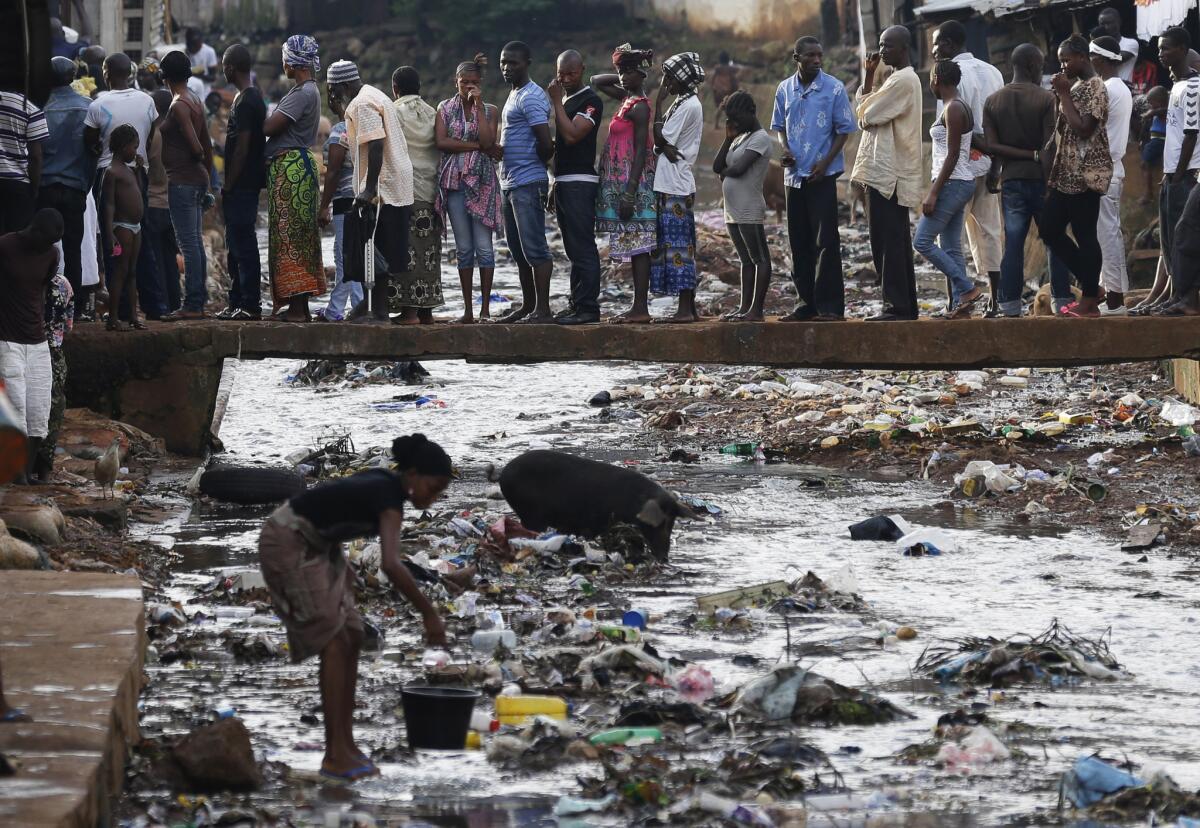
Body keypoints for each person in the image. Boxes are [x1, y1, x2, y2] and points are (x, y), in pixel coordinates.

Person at [257, 433, 450, 782]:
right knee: (334, 641)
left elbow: (332, 511)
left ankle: (346, 745)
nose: (433, 497)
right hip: (288, 540)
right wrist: (429, 615)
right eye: (433, 487)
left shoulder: (385, 485)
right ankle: (334, 755)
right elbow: (391, 564)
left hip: (320, 543)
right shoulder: (389, 495)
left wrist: (342, 568)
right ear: (415, 474)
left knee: (353, 633)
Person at [772, 36, 856, 322]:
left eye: (819, 55)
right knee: (798, 241)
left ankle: (831, 307)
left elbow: (844, 130)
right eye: (810, 56)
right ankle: (805, 303)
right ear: (797, 58)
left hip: (822, 175)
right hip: (793, 177)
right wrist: (784, 148)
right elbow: (779, 127)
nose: (817, 60)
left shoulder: (833, 88)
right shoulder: (784, 89)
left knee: (826, 242)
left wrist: (826, 162)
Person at [328, 60, 415, 325]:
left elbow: (376, 145)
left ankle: (379, 313)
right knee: (380, 249)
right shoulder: (373, 94)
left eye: (332, 89)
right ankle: (371, 308)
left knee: (376, 248)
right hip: (395, 180)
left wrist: (368, 189)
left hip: (383, 185)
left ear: (342, 85)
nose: (331, 94)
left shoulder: (362, 104)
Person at [983, 44, 1066, 317]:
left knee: (1014, 242)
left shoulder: (993, 101)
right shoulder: (1045, 99)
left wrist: (994, 173)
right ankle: (1061, 299)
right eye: (1041, 65)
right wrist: (1050, 187)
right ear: (1031, 65)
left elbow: (993, 148)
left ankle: (1009, 304)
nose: (1041, 69)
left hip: (1011, 181)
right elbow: (1048, 150)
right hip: (1041, 180)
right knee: (1054, 239)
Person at [851, 26, 924, 321]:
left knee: (887, 242)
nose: (882, 52)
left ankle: (895, 306)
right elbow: (866, 108)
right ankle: (905, 306)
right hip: (884, 173)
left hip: (888, 175)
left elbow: (867, 116)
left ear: (904, 47)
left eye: (888, 46)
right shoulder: (893, 79)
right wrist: (868, 77)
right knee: (893, 240)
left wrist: (866, 106)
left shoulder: (903, 80)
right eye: (880, 45)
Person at [930, 20, 1004, 312]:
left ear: (948, 44)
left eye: (935, 44)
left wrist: (936, 186)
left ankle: (957, 301)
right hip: (988, 165)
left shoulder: (947, 77)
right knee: (990, 231)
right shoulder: (994, 72)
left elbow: (951, 134)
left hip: (958, 170)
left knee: (950, 237)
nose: (933, 51)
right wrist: (996, 163)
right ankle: (997, 302)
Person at [1041, 35, 1112, 318]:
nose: (1063, 65)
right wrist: (1063, 93)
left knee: (1085, 236)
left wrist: (1064, 95)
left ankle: (1090, 301)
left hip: (1087, 174)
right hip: (1066, 174)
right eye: (1060, 60)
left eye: (1067, 59)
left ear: (1083, 57)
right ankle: (1092, 286)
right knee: (1048, 229)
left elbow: (1083, 128)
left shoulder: (1096, 87)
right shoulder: (1076, 85)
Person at [593, 45, 657, 324]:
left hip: (635, 183)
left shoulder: (640, 107)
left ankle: (640, 307)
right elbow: (596, 81)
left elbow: (642, 150)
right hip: (621, 182)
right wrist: (624, 68)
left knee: (640, 244)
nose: (621, 77)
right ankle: (636, 305)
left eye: (627, 73)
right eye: (620, 72)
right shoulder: (625, 99)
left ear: (640, 75)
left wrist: (630, 192)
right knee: (632, 242)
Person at [435, 57, 502, 324]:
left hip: (483, 182)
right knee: (464, 249)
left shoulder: (489, 110)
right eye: (465, 83)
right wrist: (476, 147)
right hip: (454, 184)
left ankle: (485, 309)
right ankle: (468, 310)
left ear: (480, 84)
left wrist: (477, 107)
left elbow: (489, 141)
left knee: (484, 248)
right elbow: (441, 142)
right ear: (456, 82)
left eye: (474, 83)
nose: (469, 87)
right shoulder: (444, 108)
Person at [915, 61, 984, 317]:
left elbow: (953, 154)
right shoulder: (955, 106)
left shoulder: (953, 108)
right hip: (958, 182)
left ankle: (966, 288)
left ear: (936, 79)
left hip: (953, 183)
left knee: (921, 241)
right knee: (952, 246)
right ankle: (961, 307)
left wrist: (934, 192)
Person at [263, 35, 325, 322]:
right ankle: (297, 306)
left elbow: (272, 126)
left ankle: (299, 309)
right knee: (295, 236)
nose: (283, 63)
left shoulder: (302, 94)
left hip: (292, 171)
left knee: (293, 238)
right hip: (293, 168)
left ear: (294, 62)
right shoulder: (307, 90)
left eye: (286, 58)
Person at [0, 209, 63, 482]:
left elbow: (42, 288)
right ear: (34, 231)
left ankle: (24, 472)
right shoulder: (4, 246)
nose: (50, 246)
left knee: (39, 414)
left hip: (38, 343)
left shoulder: (51, 254)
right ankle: (16, 473)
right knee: (15, 411)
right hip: (7, 341)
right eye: (47, 240)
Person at [497, 42, 555, 323]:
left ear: (527, 63)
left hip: (527, 181)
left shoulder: (531, 96)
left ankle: (543, 309)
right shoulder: (514, 94)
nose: (507, 68)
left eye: (513, 63)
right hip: (509, 181)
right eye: (503, 62)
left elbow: (546, 143)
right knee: (518, 251)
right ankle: (529, 306)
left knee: (534, 248)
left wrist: (536, 165)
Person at [547, 50, 604, 325]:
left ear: (582, 70)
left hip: (581, 182)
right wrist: (552, 181)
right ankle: (576, 302)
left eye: (571, 73)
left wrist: (556, 102)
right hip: (563, 181)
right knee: (572, 249)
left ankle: (589, 308)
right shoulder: (566, 100)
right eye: (561, 74)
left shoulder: (590, 101)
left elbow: (571, 135)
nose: (566, 79)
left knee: (583, 247)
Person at [651, 51, 706, 323]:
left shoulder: (687, 106)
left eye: (668, 78)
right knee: (679, 245)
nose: (665, 83)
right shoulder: (685, 102)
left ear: (680, 80)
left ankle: (685, 310)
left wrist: (658, 103)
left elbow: (660, 137)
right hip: (673, 182)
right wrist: (662, 145)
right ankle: (689, 308)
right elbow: (662, 144)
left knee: (678, 248)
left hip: (676, 185)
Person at [159, 50, 213, 321]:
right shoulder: (195, 100)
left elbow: (197, 147)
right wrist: (210, 180)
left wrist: (196, 159)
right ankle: (197, 301)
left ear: (164, 76)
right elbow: (207, 143)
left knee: (189, 244)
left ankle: (192, 304)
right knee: (194, 242)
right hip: (196, 180)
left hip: (183, 181)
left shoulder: (179, 104)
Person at [38, 57, 94, 316]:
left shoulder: (39, 108)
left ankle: (41, 304)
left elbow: (34, 153)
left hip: (45, 187)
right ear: (73, 77)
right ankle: (76, 307)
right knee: (73, 250)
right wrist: (85, 185)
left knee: (40, 248)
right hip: (75, 188)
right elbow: (94, 152)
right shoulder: (88, 108)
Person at [1151, 28, 1200, 316]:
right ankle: (1176, 295)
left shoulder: (1193, 87)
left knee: (1185, 236)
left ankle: (1187, 298)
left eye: (1167, 48)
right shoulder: (1177, 86)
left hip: (1188, 173)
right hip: (1172, 174)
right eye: (1159, 49)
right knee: (1169, 239)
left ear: (1182, 49)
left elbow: (1191, 135)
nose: (1161, 54)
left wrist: (1180, 173)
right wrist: (1169, 172)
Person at [713, 90, 773, 321]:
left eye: (737, 118)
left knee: (760, 258)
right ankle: (743, 308)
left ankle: (756, 310)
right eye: (730, 119)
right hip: (733, 210)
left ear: (752, 112)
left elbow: (738, 169)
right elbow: (718, 166)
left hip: (749, 208)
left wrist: (726, 174)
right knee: (745, 260)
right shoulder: (739, 138)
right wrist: (728, 138)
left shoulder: (760, 138)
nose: (734, 123)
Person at [391, 66, 445, 323]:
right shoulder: (433, 113)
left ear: (395, 88)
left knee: (408, 252)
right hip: (432, 191)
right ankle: (427, 311)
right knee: (429, 252)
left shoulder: (395, 113)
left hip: (406, 191)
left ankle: (409, 312)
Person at [218, 44, 267, 321]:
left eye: (225, 65)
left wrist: (230, 183)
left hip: (243, 185)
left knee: (244, 245)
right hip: (241, 186)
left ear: (230, 68)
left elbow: (243, 147)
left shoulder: (248, 101)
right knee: (234, 245)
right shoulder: (245, 97)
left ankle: (250, 304)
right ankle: (237, 301)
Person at [1090, 36, 1134, 315]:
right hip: (1110, 169)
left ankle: (1116, 299)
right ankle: (1111, 293)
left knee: (1107, 235)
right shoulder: (1119, 87)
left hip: (1105, 169)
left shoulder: (1108, 89)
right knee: (1106, 234)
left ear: (1099, 59)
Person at [317, 86, 364, 322]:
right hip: (363, 200)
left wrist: (324, 206)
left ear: (337, 101)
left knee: (345, 257)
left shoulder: (341, 130)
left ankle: (353, 309)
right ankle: (342, 307)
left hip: (346, 201)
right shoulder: (364, 126)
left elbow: (333, 171)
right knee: (351, 256)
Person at [102, 125, 146, 331]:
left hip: (135, 227)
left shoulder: (128, 170)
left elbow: (138, 191)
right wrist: (109, 232)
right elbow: (109, 204)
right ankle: (113, 317)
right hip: (122, 227)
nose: (135, 152)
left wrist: (138, 171)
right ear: (122, 147)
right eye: (134, 147)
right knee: (121, 271)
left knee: (132, 272)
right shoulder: (112, 172)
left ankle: (133, 316)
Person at [36, 263, 74, 482]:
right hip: (53, 353)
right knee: (53, 411)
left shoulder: (19, 280)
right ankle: (43, 469)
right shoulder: (63, 284)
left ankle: (23, 469)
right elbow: (68, 325)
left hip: (22, 349)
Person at [145, 90, 180, 315]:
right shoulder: (179, 132)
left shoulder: (154, 135)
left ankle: (161, 307)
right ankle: (176, 304)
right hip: (174, 205)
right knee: (170, 260)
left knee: (156, 260)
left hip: (154, 203)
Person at [0, 87, 48, 233]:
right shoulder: (31, 109)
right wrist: (34, 188)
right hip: (18, 186)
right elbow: (35, 157)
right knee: (16, 240)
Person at [1097, 7, 1140, 84]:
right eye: (1102, 24)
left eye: (1109, 23)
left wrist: (1097, 51)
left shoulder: (1131, 43)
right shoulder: (1097, 46)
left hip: (1124, 89)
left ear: (1119, 22)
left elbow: (1117, 58)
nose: (1106, 27)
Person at [185, 28, 219, 101]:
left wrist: (200, 75)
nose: (193, 48)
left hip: (204, 93)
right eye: (190, 46)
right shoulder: (184, 52)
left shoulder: (209, 52)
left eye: (195, 46)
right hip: (187, 92)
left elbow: (213, 77)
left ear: (200, 42)